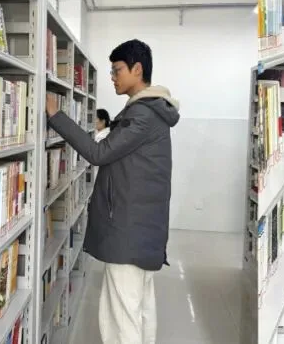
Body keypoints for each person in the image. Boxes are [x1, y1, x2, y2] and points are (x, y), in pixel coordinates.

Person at [45, 39, 178, 344]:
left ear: (137, 69)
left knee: (122, 316)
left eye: (117, 70)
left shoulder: (143, 114)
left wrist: (56, 116)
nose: (112, 77)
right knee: (140, 308)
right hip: (142, 228)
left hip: (130, 230)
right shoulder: (149, 111)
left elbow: (99, 153)